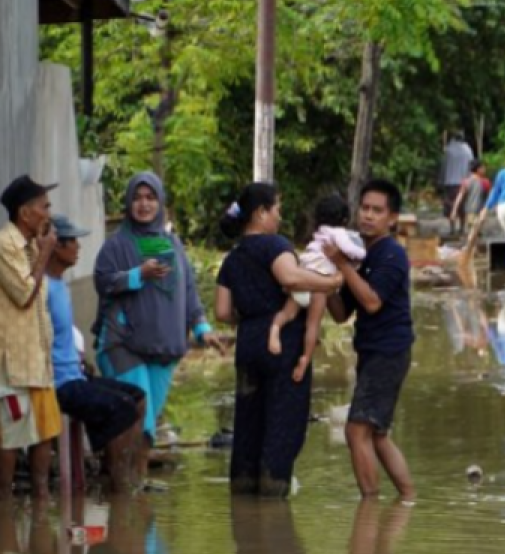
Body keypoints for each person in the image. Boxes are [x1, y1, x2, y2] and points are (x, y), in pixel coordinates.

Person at [93, 172, 223, 487]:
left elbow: (188, 289)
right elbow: (103, 281)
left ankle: (132, 487)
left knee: (146, 428)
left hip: (164, 347)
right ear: (127, 202)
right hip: (121, 343)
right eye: (137, 198)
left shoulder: (172, 244)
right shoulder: (117, 245)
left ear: (160, 202)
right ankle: (125, 492)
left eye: (150, 198)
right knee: (137, 420)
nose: (143, 204)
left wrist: (202, 327)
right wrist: (138, 274)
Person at [215, 183, 343, 497]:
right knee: (283, 421)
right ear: (260, 213)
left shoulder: (233, 258)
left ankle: (244, 493)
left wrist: (251, 318)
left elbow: (222, 312)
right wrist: (332, 281)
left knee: (249, 421)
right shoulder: (275, 245)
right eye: (277, 209)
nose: (280, 217)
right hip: (282, 345)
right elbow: (290, 278)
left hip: (248, 343)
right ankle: (273, 495)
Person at [325, 179, 416, 499]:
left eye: (377, 211)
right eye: (364, 208)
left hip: (388, 351)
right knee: (376, 434)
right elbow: (340, 313)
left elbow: (373, 301)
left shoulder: (391, 254)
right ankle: (407, 498)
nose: (368, 216)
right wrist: (322, 281)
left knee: (356, 430)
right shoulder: (360, 256)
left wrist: (341, 265)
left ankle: (370, 506)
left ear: (392, 218)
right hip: (372, 350)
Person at [45, 213, 147, 494]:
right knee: (121, 408)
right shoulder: (43, 288)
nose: (78, 248)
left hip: (75, 374)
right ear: (56, 246)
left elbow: (64, 338)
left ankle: (127, 472)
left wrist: (80, 360)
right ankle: (117, 485)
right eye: (73, 242)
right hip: (61, 383)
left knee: (137, 397)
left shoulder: (60, 285)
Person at [0, 175, 63, 499]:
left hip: (38, 360)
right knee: (10, 438)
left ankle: (41, 511)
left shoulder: (31, 246)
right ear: (25, 214)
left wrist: (40, 252)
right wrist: (46, 253)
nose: (49, 213)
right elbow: (24, 293)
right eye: (44, 207)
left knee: (45, 432)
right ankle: (6, 510)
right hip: (12, 363)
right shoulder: (5, 245)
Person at [267, 195, 365, 383]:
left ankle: (275, 329)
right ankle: (305, 359)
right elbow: (351, 251)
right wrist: (364, 254)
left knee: (287, 313)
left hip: (303, 278)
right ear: (344, 219)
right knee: (312, 326)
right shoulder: (338, 233)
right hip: (319, 284)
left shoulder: (319, 233)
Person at [450, 160, 489, 260]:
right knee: (474, 232)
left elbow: (460, 197)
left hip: (469, 211)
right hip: (479, 211)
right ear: (478, 169)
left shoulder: (466, 182)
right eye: (483, 167)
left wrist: (454, 210)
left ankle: (472, 250)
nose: (485, 169)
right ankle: (470, 251)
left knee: (473, 231)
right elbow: (488, 198)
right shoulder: (485, 182)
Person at [438, 132, 474, 236]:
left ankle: (452, 228)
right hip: (464, 181)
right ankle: (462, 228)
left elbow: (443, 166)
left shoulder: (448, 150)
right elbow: (471, 166)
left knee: (450, 205)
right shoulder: (467, 149)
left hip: (449, 182)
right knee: (462, 206)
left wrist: (441, 180)